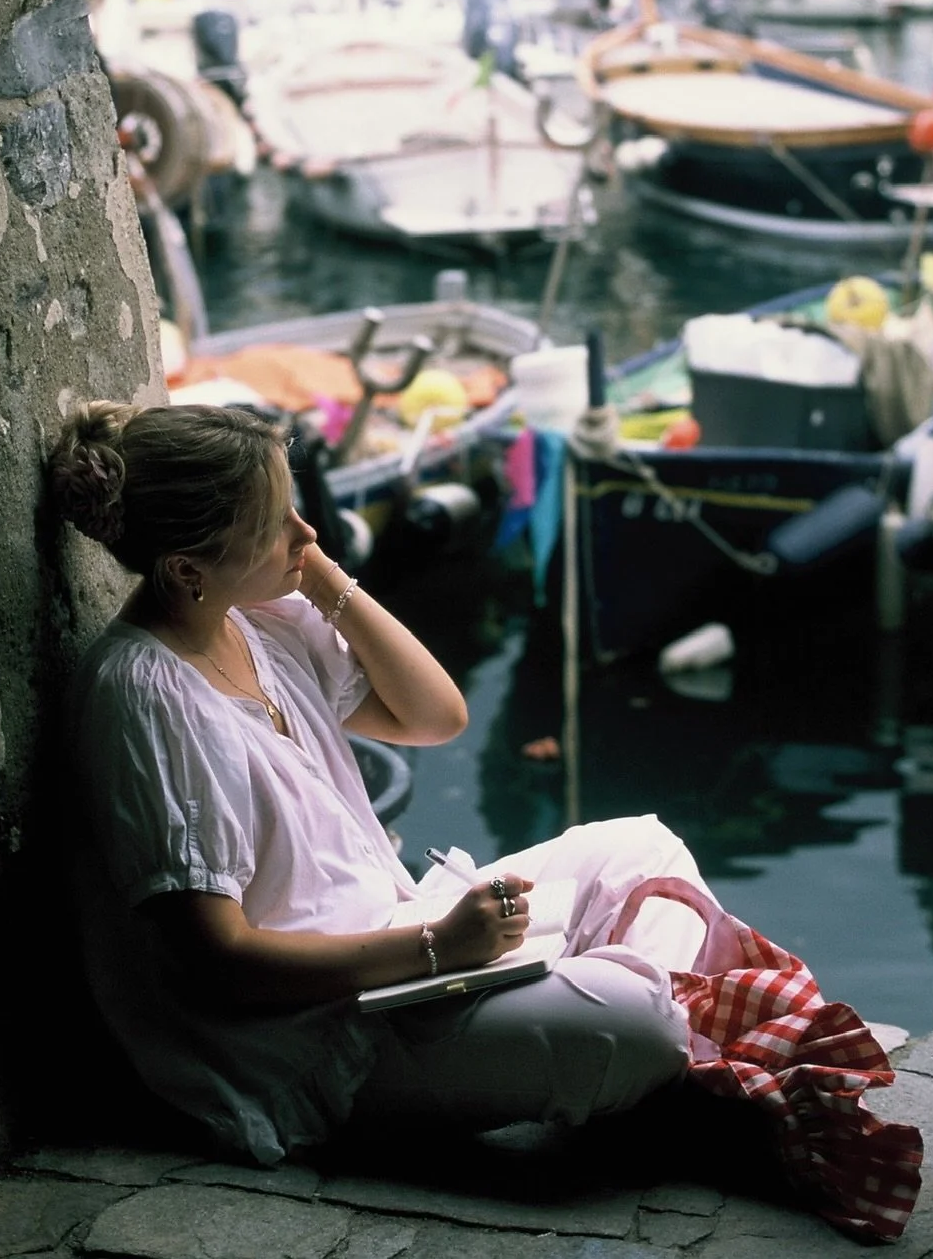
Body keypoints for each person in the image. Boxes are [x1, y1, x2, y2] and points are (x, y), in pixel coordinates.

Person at [48, 399, 723, 1169]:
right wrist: (439, 947)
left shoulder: (259, 621)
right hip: (323, 1033)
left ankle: (587, 1012)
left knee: (645, 846)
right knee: (637, 1022)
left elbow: (437, 715)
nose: (306, 532)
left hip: (397, 934)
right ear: (185, 569)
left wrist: (321, 577)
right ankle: (625, 1022)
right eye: (276, 524)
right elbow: (217, 963)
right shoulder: (146, 694)